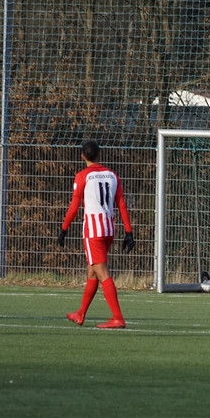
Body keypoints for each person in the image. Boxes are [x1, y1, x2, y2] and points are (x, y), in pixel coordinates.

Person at [58, 140, 134, 329]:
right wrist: (128, 231)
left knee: (102, 272)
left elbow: (74, 206)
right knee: (92, 271)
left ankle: (118, 317)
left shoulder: (82, 176)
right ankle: (80, 313)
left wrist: (64, 229)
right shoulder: (112, 175)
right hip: (109, 229)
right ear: (100, 155)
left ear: (82, 156)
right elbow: (122, 204)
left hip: (93, 231)